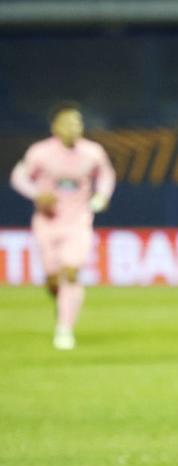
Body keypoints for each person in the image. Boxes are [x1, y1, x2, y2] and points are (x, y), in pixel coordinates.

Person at [10, 101, 115, 351]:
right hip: (48, 222)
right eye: (68, 122)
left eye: (78, 122)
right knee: (53, 279)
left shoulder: (93, 152)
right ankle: (61, 299)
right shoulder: (40, 152)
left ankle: (64, 330)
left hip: (78, 221)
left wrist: (101, 197)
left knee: (71, 271)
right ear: (55, 127)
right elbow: (19, 176)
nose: (74, 127)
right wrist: (36, 194)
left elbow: (106, 175)